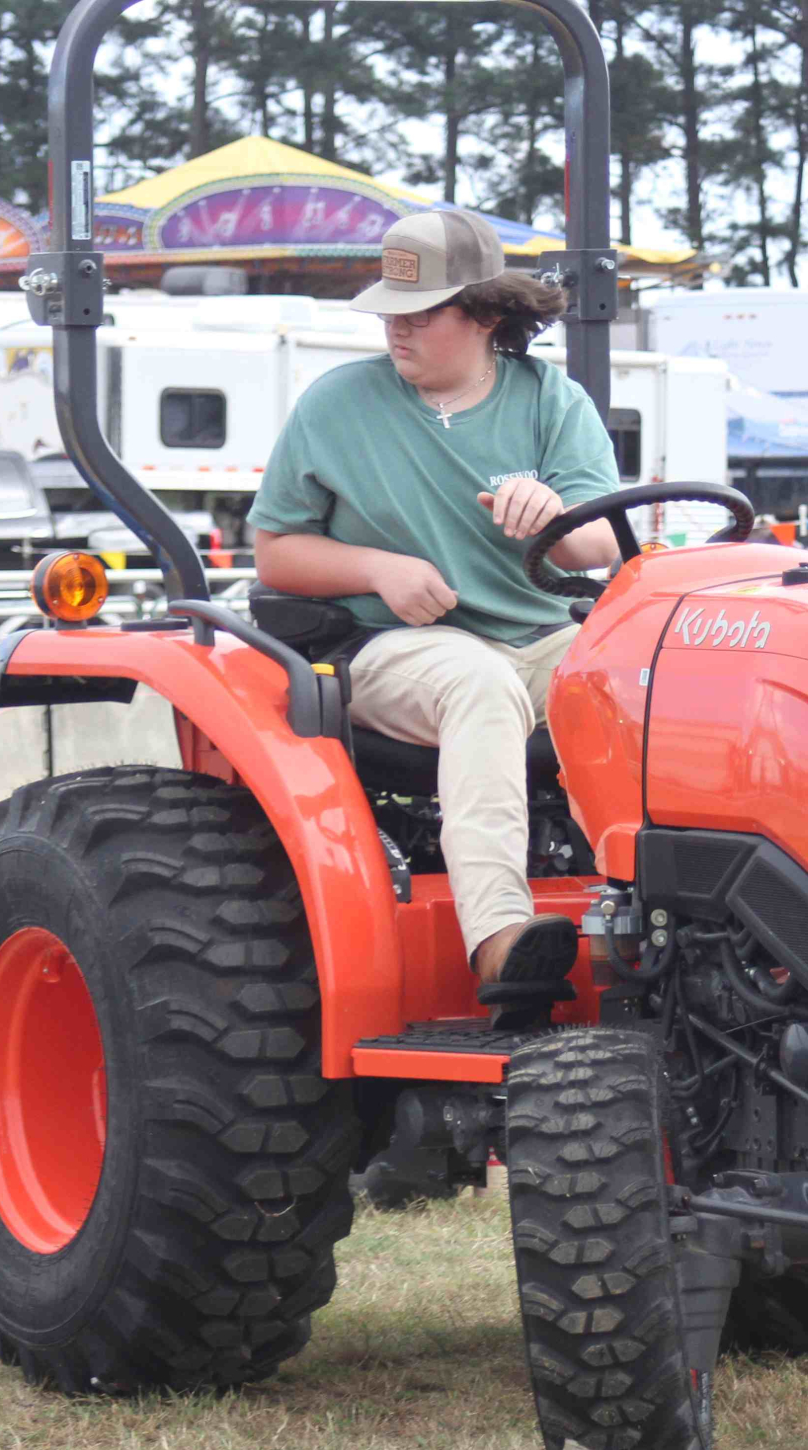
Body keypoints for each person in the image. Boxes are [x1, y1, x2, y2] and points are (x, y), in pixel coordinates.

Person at [247, 206, 622, 1023]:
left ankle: (654, 915)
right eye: (388, 312)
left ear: (486, 314)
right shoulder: (338, 406)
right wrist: (376, 567)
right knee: (477, 681)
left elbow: (595, 543)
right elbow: (274, 550)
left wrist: (553, 515)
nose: (396, 330)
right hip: (389, 646)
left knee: (648, 683)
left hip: (539, 634)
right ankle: (499, 937)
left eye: (418, 314)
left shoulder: (551, 401)